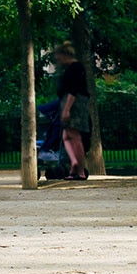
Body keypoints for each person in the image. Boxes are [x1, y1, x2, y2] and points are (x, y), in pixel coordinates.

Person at [53, 42, 93, 181]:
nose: (58, 61)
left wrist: (67, 109)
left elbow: (73, 90)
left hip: (74, 105)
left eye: (59, 58)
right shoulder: (70, 68)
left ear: (65, 55)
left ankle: (80, 170)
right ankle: (74, 165)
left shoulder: (75, 68)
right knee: (66, 136)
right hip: (70, 103)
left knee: (75, 137)